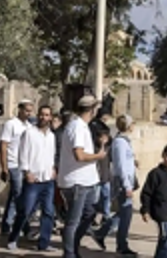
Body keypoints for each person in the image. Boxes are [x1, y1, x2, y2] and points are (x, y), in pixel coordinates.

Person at [58, 95, 108, 258]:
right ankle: (69, 252)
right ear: (92, 109)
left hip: (86, 181)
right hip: (77, 181)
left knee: (89, 215)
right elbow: (79, 155)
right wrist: (98, 156)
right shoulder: (77, 127)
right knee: (73, 221)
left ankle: (73, 245)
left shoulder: (82, 126)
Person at [7, 105, 57, 252]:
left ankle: (44, 243)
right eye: (41, 114)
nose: (44, 117)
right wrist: (26, 171)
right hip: (33, 180)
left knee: (48, 212)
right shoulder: (29, 133)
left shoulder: (51, 136)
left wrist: (53, 168)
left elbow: (51, 154)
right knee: (25, 211)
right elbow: (23, 153)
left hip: (47, 180)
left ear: (50, 117)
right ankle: (13, 238)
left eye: (47, 115)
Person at [90, 115, 138, 256]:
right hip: (122, 182)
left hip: (126, 180)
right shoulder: (120, 143)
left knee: (123, 212)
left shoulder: (124, 141)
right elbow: (120, 165)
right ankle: (121, 245)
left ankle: (101, 233)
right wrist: (127, 185)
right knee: (126, 213)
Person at [0, 99, 34, 236]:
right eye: (26, 110)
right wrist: (4, 167)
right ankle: (23, 227)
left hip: (25, 165)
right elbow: (3, 145)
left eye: (30, 111)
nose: (28, 113)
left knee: (17, 197)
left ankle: (8, 224)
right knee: (17, 196)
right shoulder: (11, 124)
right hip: (14, 164)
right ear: (19, 109)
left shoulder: (29, 126)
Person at [90, 106, 112, 225]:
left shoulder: (109, 148)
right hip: (96, 177)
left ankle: (106, 215)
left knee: (106, 197)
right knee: (95, 198)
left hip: (105, 176)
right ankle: (93, 216)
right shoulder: (95, 149)